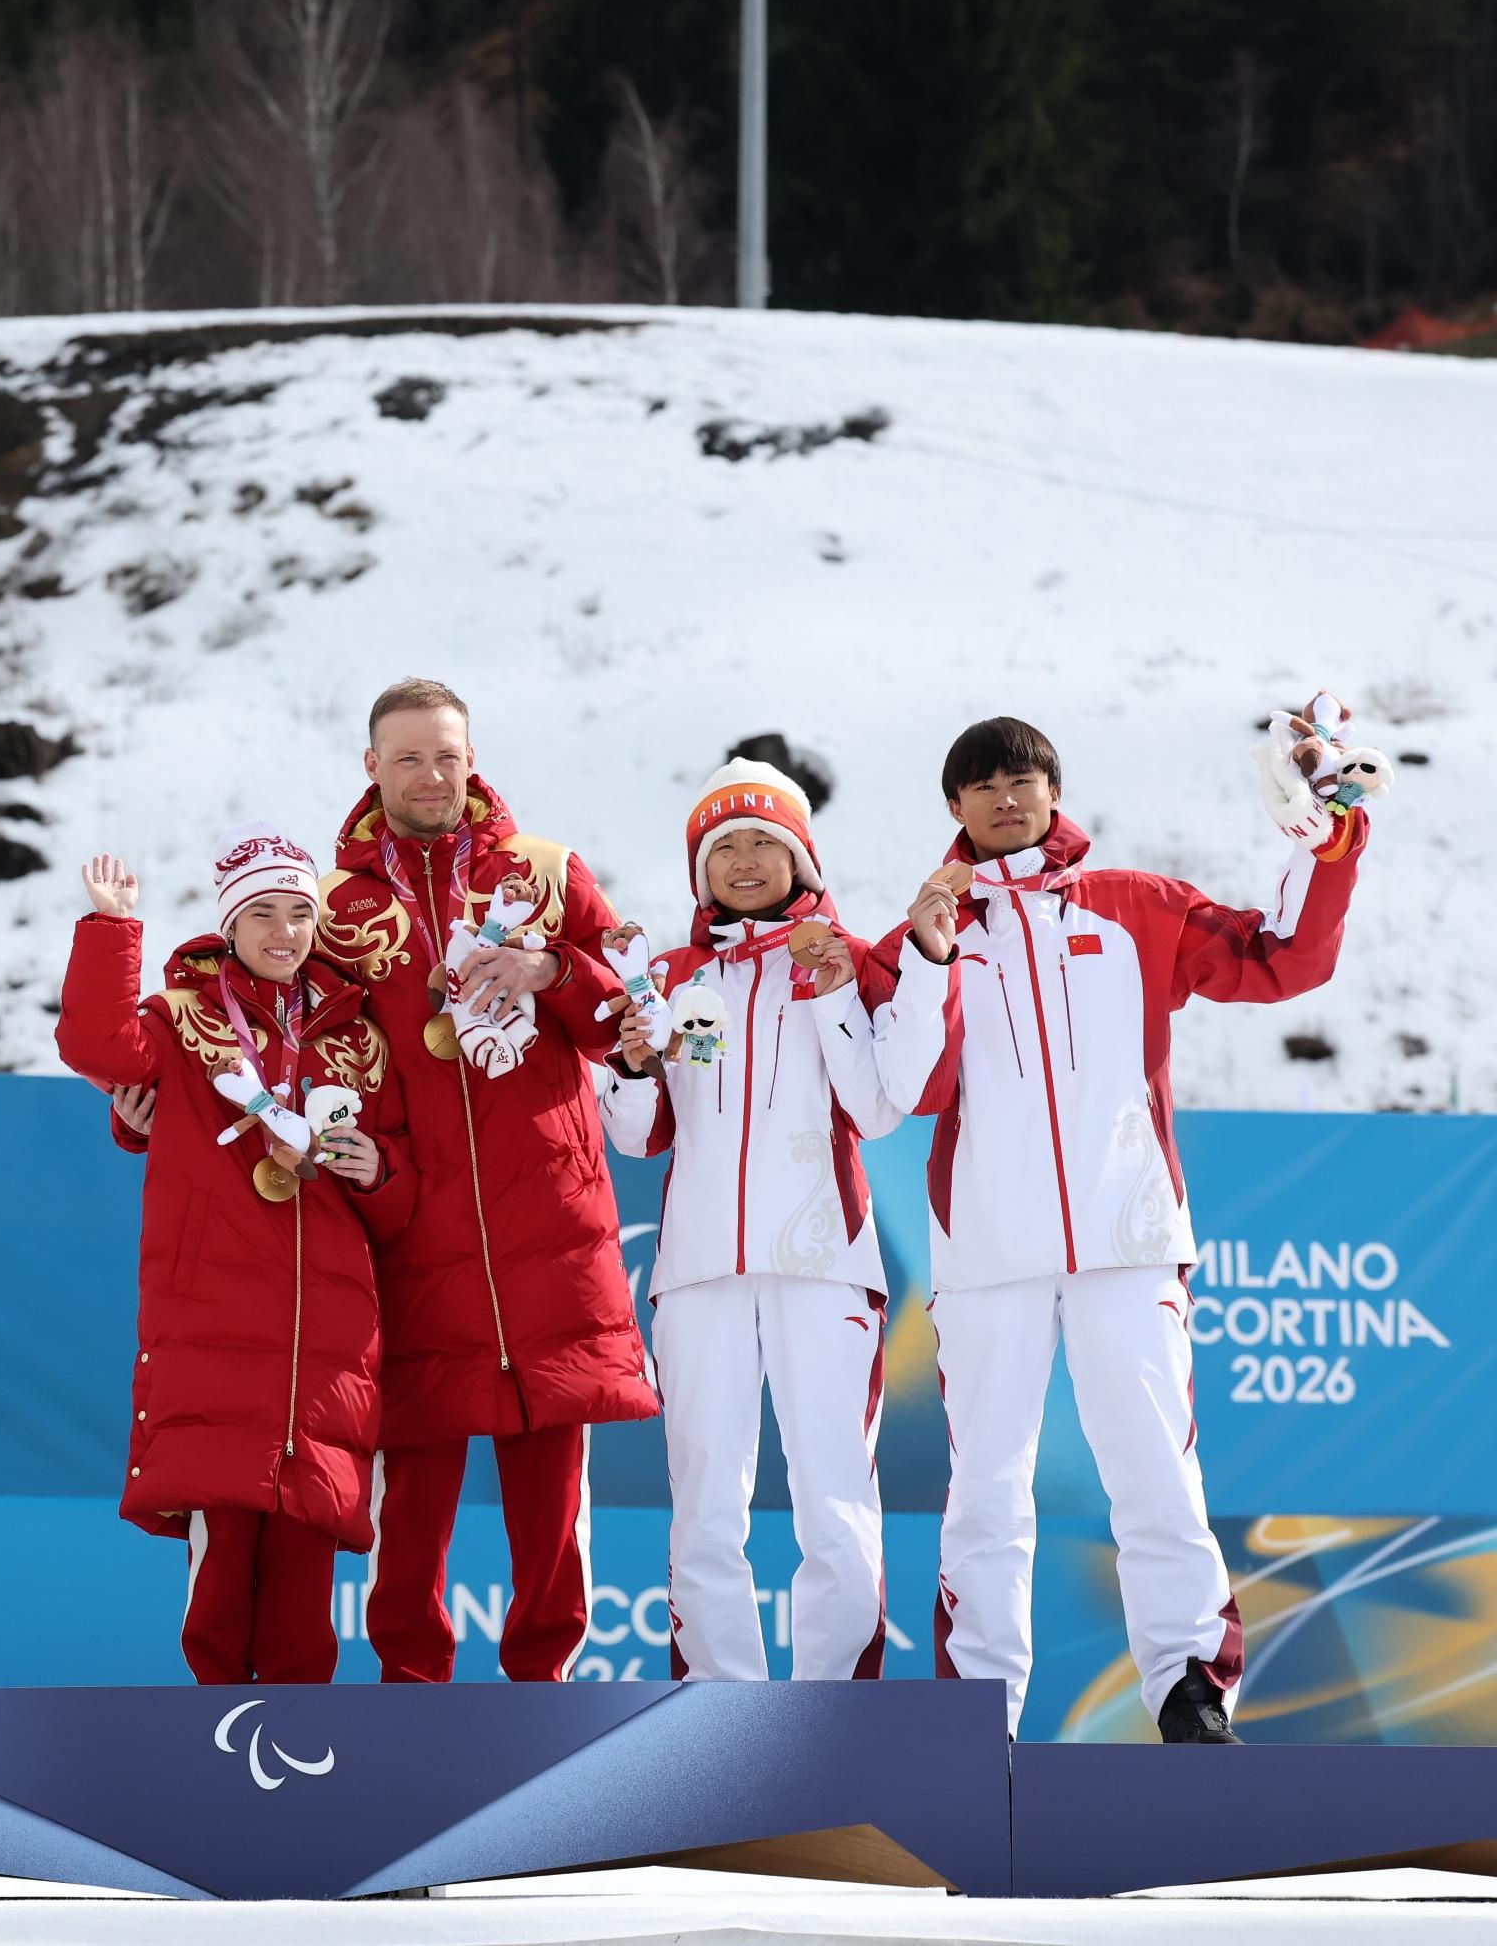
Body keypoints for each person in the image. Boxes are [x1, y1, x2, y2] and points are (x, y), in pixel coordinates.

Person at [871, 715, 1370, 1743]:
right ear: (954, 809)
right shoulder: (931, 929)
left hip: (1129, 1238)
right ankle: (975, 1716)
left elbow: (1278, 961)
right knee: (987, 1490)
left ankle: (1190, 1690)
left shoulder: (1137, 906)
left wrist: (1321, 844)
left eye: (1025, 779)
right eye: (984, 785)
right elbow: (905, 1091)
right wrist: (925, 959)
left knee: (1155, 1468)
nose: (1007, 798)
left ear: (1055, 791)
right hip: (990, 1256)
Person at [313, 679, 658, 1683]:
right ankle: (410, 1687)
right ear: (372, 766)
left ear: (473, 759)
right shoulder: (334, 911)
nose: (431, 775)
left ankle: (542, 1685)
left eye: (447, 756)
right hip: (415, 1230)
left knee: (552, 1485)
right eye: (409, 757)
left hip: (548, 1222)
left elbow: (621, 1023)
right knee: (411, 1490)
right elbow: (318, 1056)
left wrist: (553, 972)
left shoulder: (545, 873)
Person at [55, 826, 415, 1683]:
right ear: (230, 924)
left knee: (302, 1603)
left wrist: (380, 1170)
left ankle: (301, 1775)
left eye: (300, 912)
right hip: (217, 1332)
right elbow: (96, 1048)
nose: (284, 931)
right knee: (220, 1589)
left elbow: (402, 1191)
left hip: (326, 1346)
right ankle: (212, 1763)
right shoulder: (184, 1018)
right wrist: (113, 930)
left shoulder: (357, 1038)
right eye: (263, 913)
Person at [597, 759, 899, 1682]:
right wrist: (633, 1063)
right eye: (723, 846)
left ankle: (837, 1706)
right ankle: (716, 1705)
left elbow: (878, 1106)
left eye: (765, 840)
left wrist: (836, 986)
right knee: (704, 1500)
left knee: (834, 1491)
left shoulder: (846, 955)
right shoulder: (667, 976)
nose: (744, 859)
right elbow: (640, 1135)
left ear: (802, 857)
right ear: (700, 871)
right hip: (697, 1269)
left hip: (824, 1261)